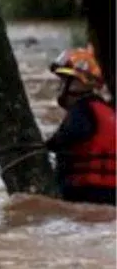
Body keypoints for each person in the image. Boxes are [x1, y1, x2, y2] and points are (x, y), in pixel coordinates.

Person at [45, 46, 115, 205]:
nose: (60, 87)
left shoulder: (82, 110)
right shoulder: (106, 110)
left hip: (86, 192)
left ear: (78, 83)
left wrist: (47, 145)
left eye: (64, 81)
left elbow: (71, 135)